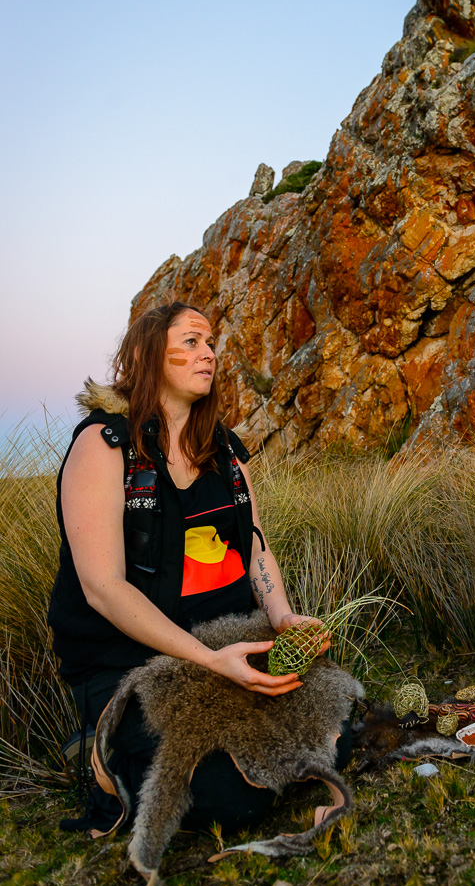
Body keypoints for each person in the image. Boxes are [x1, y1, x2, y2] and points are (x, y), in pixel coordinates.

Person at [49, 301, 341, 834]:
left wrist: (282, 618)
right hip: (132, 662)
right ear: (146, 354)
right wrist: (211, 661)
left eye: (210, 344)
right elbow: (103, 588)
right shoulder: (104, 445)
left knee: (343, 726)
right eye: (190, 342)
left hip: (226, 641)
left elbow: (254, 546)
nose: (207, 353)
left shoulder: (223, 450)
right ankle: (107, 754)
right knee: (233, 801)